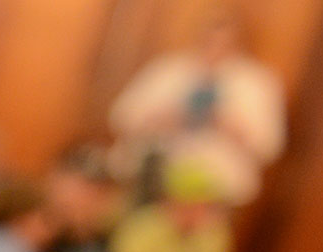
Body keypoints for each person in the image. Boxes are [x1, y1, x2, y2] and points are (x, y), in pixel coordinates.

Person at [110, 14, 284, 207]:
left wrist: (234, 129)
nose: (215, 50)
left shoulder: (256, 83)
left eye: (226, 45)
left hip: (215, 191)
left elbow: (271, 146)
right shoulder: (168, 68)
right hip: (153, 179)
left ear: (240, 45)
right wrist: (160, 119)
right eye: (209, 42)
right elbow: (121, 117)